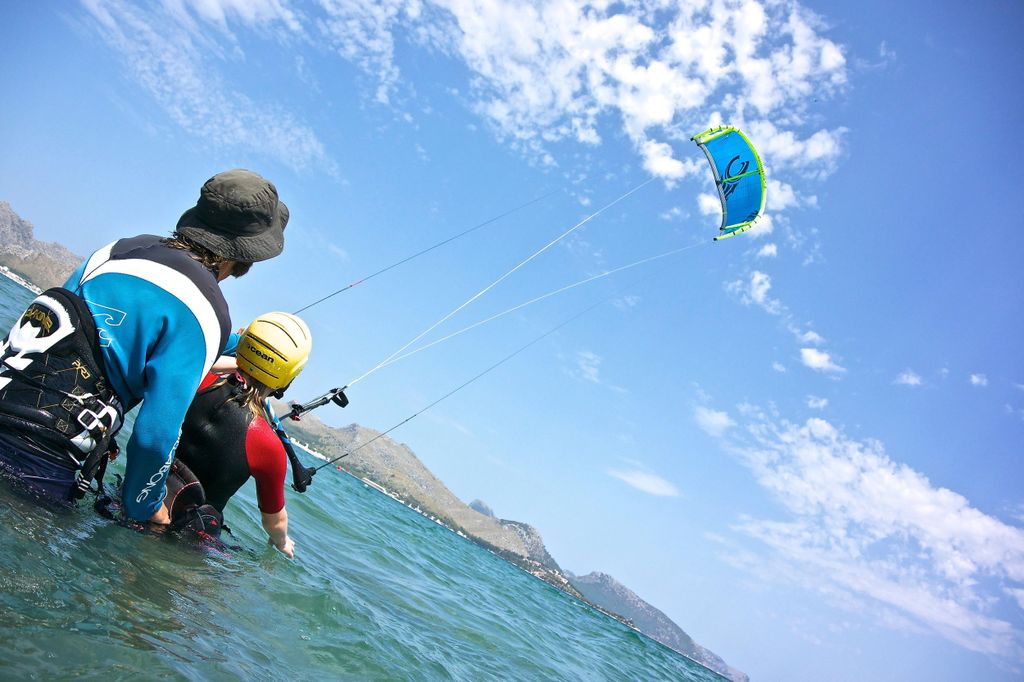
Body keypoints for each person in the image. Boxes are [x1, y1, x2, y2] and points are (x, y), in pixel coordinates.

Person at [0, 169, 288, 524]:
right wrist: (147, 508)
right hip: (40, 462)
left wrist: (237, 344)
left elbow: (98, 330)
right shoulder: (206, 311)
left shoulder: (115, 251)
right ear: (246, 254)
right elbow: (153, 438)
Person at [162, 312, 312, 558]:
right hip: (186, 541)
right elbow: (273, 521)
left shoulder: (199, 378)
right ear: (289, 376)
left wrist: (243, 361)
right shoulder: (267, 443)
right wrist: (283, 542)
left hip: (147, 497)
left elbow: (202, 359)